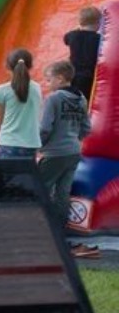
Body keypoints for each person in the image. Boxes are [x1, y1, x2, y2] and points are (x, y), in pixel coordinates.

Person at [38, 60, 93, 244]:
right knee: (63, 192)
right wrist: (74, 139)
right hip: (73, 152)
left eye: (48, 79)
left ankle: (41, 227)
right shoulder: (81, 98)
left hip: (54, 152)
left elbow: (45, 128)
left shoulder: (53, 99)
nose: (46, 83)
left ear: (60, 79)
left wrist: (39, 146)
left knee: (41, 188)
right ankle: (60, 230)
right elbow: (87, 127)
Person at [0, 48, 42, 159]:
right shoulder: (37, 88)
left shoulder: (1, 90)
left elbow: (0, 120)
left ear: (7, 67)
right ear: (30, 66)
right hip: (31, 143)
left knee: (6, 171)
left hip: (8, 142)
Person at [65, 6, 101, 103]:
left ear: (80, 22)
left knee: (74, 98)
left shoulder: (72, 35)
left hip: (73, 73)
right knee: (87, 99)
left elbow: (65, 39)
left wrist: (77, 29)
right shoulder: (98, 39)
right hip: (89, 75)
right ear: (98, 23)